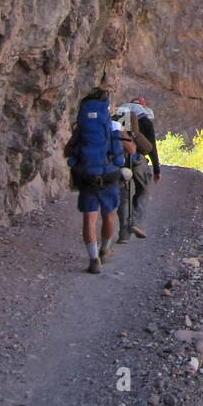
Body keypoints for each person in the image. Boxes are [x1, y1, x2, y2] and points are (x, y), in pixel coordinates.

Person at [64, 88, 128, 274]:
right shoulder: (113, 126)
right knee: (109, 215)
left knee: (89, 219)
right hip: (108, 177)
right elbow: (121, 157)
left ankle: (93, 260)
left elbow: (67, 152)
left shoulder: (81, 128)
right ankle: (105, 249)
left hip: (86, 177)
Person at [115, 96, 160, 240]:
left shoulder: (119, 117)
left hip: (120, 159)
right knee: (144, 190)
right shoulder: (145, 120)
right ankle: (137, 222)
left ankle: (123, 234)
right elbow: (151, 147)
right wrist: (157, 170)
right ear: (143, 106)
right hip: (138, 159)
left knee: (124, 194)